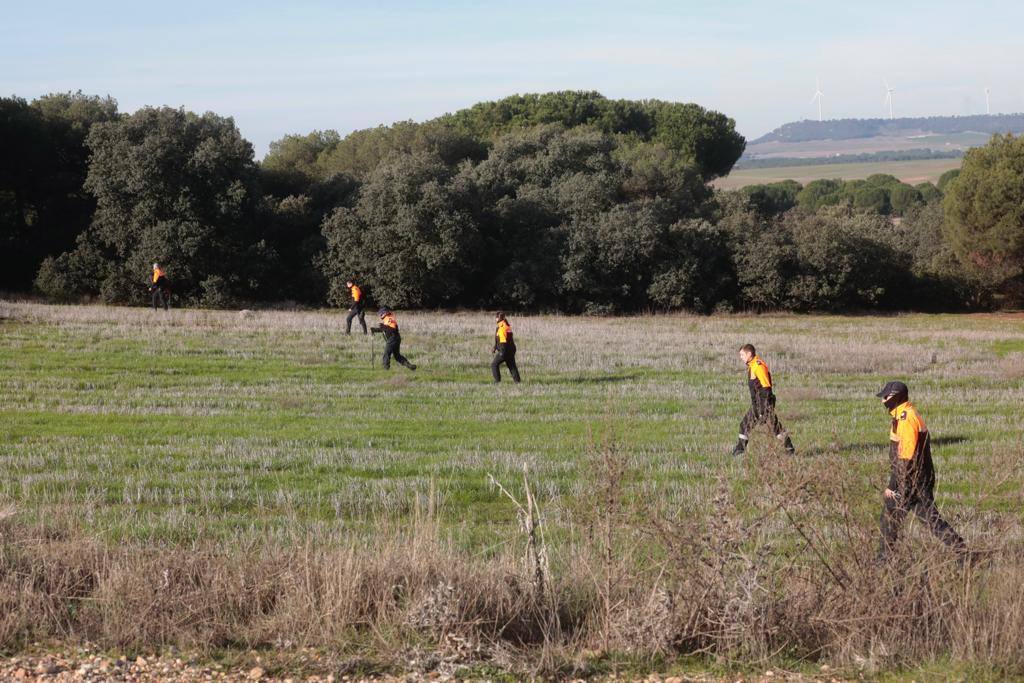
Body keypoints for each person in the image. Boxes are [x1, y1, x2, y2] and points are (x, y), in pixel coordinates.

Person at [875, 381, 966, 562]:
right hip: (917, 478)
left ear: (896, 397)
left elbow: (905, 458)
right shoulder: (903, 415)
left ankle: (882, 563)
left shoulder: (906, 419)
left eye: (886, 397)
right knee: (931, 520)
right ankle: (963, 553)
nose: (882, 401)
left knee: (889, 518)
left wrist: (893, 486)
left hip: (910, 479)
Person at [731, 344, 796, 456]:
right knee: (774, 428)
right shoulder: (752, 365)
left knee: (748, 426)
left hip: (763, 404)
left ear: (749, 354)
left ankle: (739, 451)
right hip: (759, 404)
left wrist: (762, 409)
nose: (741, 357)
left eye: (742, 355)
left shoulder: (758, 366)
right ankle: (790, 450)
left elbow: (766, 388)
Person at [491, 311, 521, 383]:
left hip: (505, 350)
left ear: (499, 318)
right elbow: (500, 339)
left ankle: (497, 381)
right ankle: (517, 381)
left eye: (496, 317)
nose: (495, 319)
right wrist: (495, 347)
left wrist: (502, 353)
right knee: (511, 365)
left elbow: (503, 342)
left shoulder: (501, 328)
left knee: (494, 364)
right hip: (511, 349)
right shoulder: (506, 326)